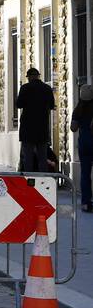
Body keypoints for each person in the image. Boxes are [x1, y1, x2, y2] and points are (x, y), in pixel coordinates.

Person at [16, 67, 55, 172]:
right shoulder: (47, 88)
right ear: (38, 76)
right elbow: (52, 105)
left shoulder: (25, 88)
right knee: (42, 158)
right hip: (42, 128)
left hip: (27, 129)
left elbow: (19, 104)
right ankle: (43, 180)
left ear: (29, 77)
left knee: (28, 158)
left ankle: (28, 179)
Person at [70, 83, 93, 213]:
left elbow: (73, 128)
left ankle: (85, 202)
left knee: (85, 174)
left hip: (84, 143)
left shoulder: (78, 110)